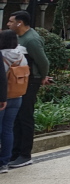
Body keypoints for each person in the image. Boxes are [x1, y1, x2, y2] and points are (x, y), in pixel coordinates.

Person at [6, 11, 51, 168]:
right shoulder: (20, 37)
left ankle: (25, 155)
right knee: (17, 117)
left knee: (25, 116)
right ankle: (15, 153)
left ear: (19, 23)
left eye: (11, 21)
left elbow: (43, 61)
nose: (8, 24)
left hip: (31, 80)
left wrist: (43, 76)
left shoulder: (31, 39)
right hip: (20, 80)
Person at [0, 29, 28, 174]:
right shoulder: (21, 55)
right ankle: (4, 162)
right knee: (8, 130)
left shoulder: (2, 56)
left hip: (2, 98)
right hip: (17, 96)